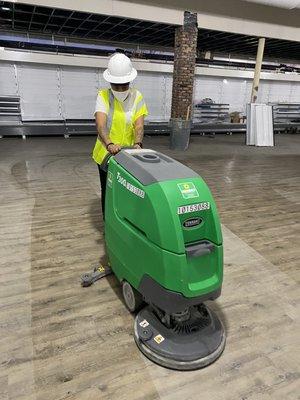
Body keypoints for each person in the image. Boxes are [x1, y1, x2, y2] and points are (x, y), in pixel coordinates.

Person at [93, 53, 148, 218]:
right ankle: (108, 221)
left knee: (127, 189)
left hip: (129, 154)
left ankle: (124, 220)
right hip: (106, 154)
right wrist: (110, 144)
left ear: (129, 81)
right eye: (117, 85)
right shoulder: (103, 96)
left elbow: (139, 125)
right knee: (108, 189)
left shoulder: (137, 96)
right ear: (110, 82)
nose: (120, 89)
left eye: (124, 85)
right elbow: (101, 125)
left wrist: (138, 143)